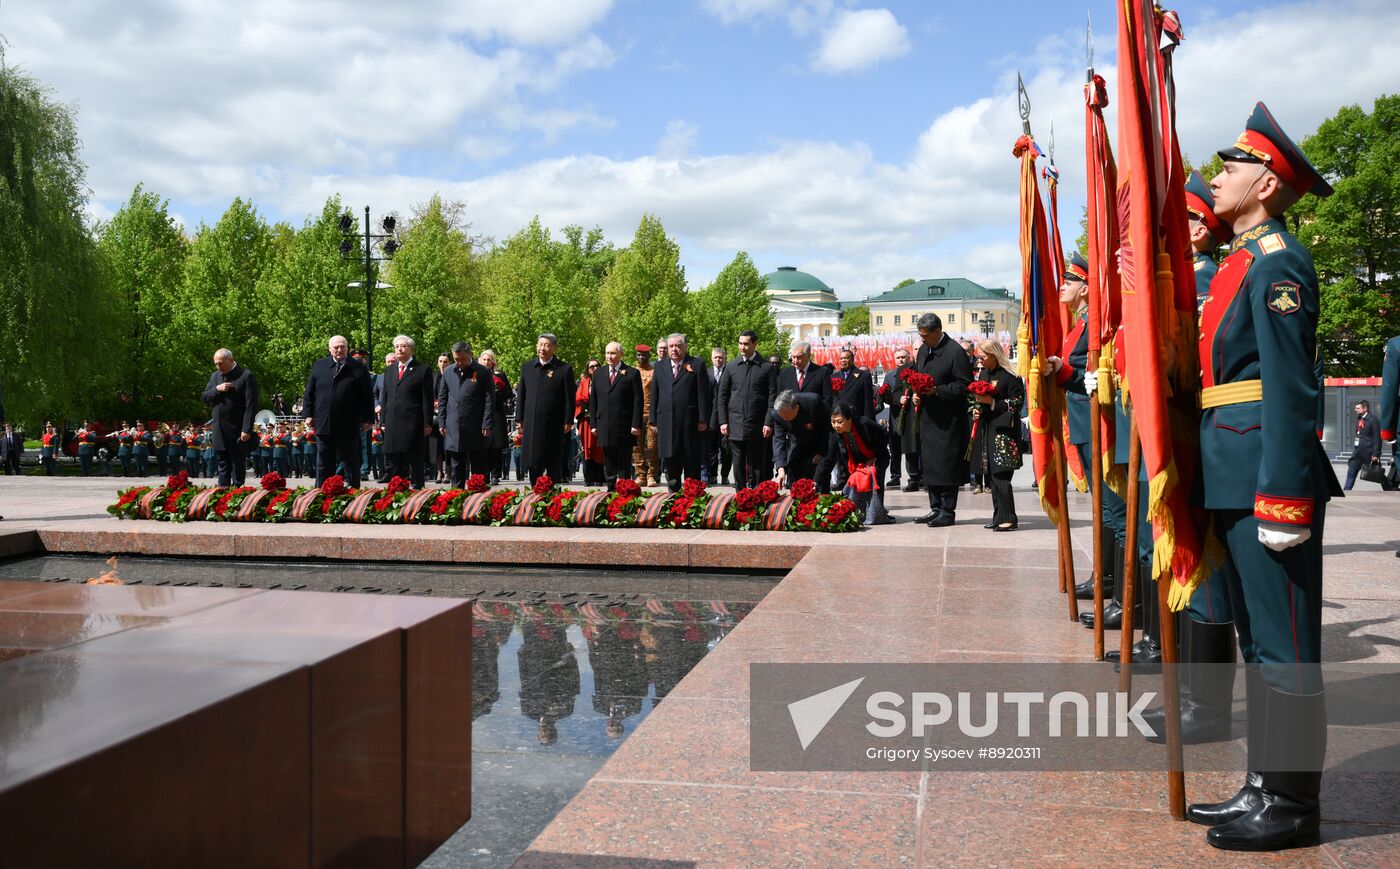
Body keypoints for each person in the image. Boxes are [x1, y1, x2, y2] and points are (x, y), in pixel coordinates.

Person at [1185, 102, 1342, 852]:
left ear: (1269, 182)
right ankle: (1262, 782)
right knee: (1258, 637)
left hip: (1265, 477)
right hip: (1232, 466)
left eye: (1232, 165)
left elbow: (1288, 387)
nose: (1218, 177)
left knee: (1284, 644)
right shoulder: (1245, 260)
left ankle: (1291, 799)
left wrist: (1284, 494)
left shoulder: (1279, 262)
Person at [911, 313, 972, 527]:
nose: (922, 339)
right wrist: (917, 392)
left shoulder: (955, 352)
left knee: (946, 465)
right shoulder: (923, 351)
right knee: (929, 464)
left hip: (949, 420)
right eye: (920, 335)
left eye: (925, 335)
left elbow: (965, 385)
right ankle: (935, 507)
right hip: (928, 418)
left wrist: (937, 390)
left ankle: (947, 510)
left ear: (938, 331)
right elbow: (918, 376)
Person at [302, 335, 375, 487]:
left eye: (342, 346)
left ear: (347, 348)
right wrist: (308, 414)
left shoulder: (358, 368)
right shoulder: (319, 365)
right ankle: (321, 493)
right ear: (330, 349)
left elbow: (367, 395)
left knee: (351, 461)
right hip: (324, 421)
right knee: (323, 462)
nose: (339, 350)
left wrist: (368, 418)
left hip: (348, 423)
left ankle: (353, 493)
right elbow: (309, 392)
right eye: (336, 347)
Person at [970, 339, 1024, 531]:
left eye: (982, 357)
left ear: (993, 355)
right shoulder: (984, 374)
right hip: (988, 429)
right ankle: (998, 515)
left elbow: (1017, 403)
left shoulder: (1011, 375)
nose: (979, 361)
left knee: (1002, 475)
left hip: (1005, 433)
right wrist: (978, 409)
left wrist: (993, 403)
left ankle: (1008, 518)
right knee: (992, 475)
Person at [649, 333, 711, 493]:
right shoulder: (660, 366)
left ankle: (692, 501)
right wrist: (653, 419)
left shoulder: (696, 364)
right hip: (666, 422)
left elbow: (703, 394)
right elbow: (654, 393)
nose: (674, 349)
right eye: (671, 346)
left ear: (685, 347)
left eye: (677, 345)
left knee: (691, 462)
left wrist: (703, 419)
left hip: (690, 423)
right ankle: (673, 498)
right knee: (671, 464)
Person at [716, 330, 775, 489]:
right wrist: (723, 421)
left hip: (758, 424)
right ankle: (740, 495)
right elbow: (722, 396)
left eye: (746, 344)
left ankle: (756, 495)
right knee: (738, 462)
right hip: (735, 423)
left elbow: (772, 397)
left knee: (757, 464)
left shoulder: (766, 368)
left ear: (755, 344)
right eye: (740, 343)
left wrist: (768, 422)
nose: (742, 347)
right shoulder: (731, 366)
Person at [517, 333, 576, 484]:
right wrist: (519, 418)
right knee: (533, 461)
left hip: (554, 423)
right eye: (540, 344)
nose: (542, 348)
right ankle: (534, 494)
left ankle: (554, 498)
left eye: (547, 345)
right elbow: (521, 395)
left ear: (554, 348)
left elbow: (570, 398)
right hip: (531, 423)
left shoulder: (564, 369)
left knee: (553, 462)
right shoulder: (528, 367)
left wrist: (568, 419)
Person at [379, 335, 435, 488]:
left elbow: (427, 399)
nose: (399, 349)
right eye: (397, 346)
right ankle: (398, 488)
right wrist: (383, 420)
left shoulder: (422, 370)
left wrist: (427, 422)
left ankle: (417, 488)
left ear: (411, 349)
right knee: (394, 459)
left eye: (403, 346)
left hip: (413, 422)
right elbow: (385, 397)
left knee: (415, 458)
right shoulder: (389, 370)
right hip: (392, 421)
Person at [437, 340, 495, 486]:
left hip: (476, 426)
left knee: (478, 467)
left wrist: (487, 423)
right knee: (457, 467)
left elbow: (489, 400)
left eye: (462, 359)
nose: (459, 362)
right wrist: (442, 422)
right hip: (454, 426)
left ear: (470, 354)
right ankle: (457, 498)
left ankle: (477, 501)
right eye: (456, 359)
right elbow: (442, 399)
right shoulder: (449, 372)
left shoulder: (483, 372)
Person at [589, 341, 644, 491]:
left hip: (625, 426)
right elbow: (593, 401)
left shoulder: (632, 373)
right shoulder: (598, 374)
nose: (609, 356)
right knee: (609, 461)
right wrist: (593, 424)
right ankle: (610, 489)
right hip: (604, 425)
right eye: (607, 353)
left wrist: (636, 424)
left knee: (624, 462)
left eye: (613, 353)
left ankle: (625, 491)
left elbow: (638, 401)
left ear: (621, 354)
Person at [202, 348, 258, 487]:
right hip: (219, 430)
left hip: (237, 429)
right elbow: (204, 397)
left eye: (221, 363)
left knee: (237, 464)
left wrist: (247, 429)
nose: (218, 366)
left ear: (231, 360)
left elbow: (251, 406)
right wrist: (217, 389)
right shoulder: (215, 376)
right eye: (216, 364)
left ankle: (237, 495)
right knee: (222, 465)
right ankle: (222, 495)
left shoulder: (246, 376)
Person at [831, 401, 892, 525]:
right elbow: (831, 457)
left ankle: (877, 514)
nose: (836, 425)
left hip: (878, 458)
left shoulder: (863, 423)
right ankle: (860, 512)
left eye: (840, 421)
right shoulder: (837, 434)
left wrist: (874, 456)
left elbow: (883, 432)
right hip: (856, 463)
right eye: (833, 421)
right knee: (855, 484)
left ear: (849, 420)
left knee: (876, 483)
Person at [771, 389, 830, 488]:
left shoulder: (813, 402)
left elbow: (827, 428)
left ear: (796, 408)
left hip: (819, 440)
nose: (784, 419)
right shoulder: (777, 415)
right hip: (798, 441)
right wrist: (781, 469)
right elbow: (778, 440)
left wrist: (821, 452)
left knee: (819, 474)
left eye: (786, 416)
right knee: (793, 464)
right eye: (782, 416)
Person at [884, 347, 922, 492]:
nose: (900, 360)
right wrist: (897, 399)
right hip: (900, 415)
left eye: (903, 357)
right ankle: (903, 476)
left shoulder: (920, 368)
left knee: (917, 448)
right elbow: (889, 394)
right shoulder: (895, 373)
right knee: (901, 448)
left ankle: (921, 476)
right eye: (898, 357)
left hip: (918, 414)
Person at [480, 349, 511, 484]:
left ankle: (495, 474)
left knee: (496, 444)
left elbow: (509, 393)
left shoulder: (500, 375)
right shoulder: (475, 374)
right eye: (484, 359)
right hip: (480, 413)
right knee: (483, 444)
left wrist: (497, 392)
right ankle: (484, 474)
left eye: (489, 360)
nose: (487, 362)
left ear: (493, 362)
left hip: (497, 412)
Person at [632, 344, 660, 486]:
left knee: (652, 446)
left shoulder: (655, 371)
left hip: (651, 414)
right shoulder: (632, 371)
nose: (641, 357)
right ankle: (640, 474)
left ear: (649, 356)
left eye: (644, 355)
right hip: (636, 414)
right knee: (636, 446)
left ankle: (651, 475)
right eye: (639, 355)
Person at [574, 359, 606, 485]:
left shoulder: (606, 380)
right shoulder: (584, 381)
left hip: (601, 419)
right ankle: (589, 478)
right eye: (591, 366)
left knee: (600, 448)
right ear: (588, 369)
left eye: (597, 366)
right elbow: (578, 399)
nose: (594, 368)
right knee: (588, 448)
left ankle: (600, 478)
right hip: (587, 420)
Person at [1343, 400, 1382, 490]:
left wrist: (1376, 453)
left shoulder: (1373, 420)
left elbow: (1377, 438)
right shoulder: (1359, 419)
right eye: (1355, 408)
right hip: (1358, 451)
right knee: (1352, 469)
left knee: (1377, 473)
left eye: (1358, 408)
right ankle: (1347, 490)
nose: (1355, 410)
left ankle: (1390, 488)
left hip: (1368, 452)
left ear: (1365, 408)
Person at [706, 347, 731, 485]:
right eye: (715, 357)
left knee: (726, 449)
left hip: (726, 418)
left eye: (720, 357)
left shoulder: (730, 371)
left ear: (725, 358)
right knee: (711, 449)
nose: (718, 360)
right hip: (710, 418)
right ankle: (713, 475)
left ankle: (725, 475)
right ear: (711, 358)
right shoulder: (706, 372)